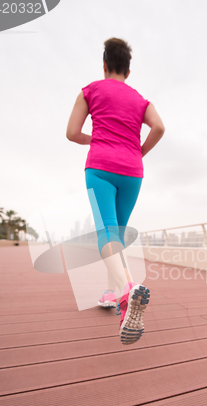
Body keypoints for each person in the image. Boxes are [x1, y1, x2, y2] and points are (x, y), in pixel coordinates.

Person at [66, 38, 165, 345]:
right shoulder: (140, 100)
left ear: (105, 65)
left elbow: (71, 133)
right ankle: (112, 293)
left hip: (101, 168)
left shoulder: (91, 90)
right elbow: (159, 127)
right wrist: (139, 152)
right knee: (117, 235)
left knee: (106, 233)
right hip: (133, 172)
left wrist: (93, 139)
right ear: (129, 70)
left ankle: (127, 291)